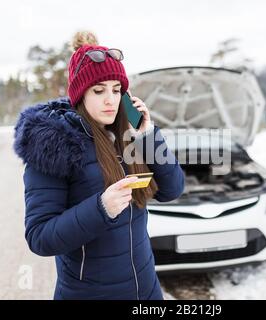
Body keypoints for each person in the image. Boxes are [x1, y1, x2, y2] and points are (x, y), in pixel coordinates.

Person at [13, 31, 185, 300]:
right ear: (80, 94)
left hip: (146, 290)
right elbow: (40, 237)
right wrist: (101, 208)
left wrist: (148, 135)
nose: (111, 100)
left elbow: (173, 189)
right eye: (99, 90)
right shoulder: (54, 145)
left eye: (117, 90)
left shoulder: (129, 135)